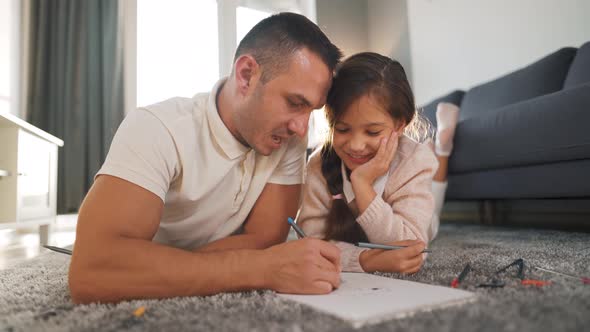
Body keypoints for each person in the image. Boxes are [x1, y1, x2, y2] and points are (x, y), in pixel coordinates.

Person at [68, 12, 344, 304]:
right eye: (294, 103)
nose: (301, 127)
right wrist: (262, 268)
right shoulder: (157, 128)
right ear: (246, 75)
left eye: (310, 110)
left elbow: (265, 239)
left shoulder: (288, 139)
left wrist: (163, 267)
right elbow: (92, 271)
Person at [297, 52, 439, 273]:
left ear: (400, 125)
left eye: (372, 132)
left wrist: (362, 185)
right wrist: (365, 261)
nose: (356, 145)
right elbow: (310, 241)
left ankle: (442, 145)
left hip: (422, 214)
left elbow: (411, 245)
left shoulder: (414, 161)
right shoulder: (318, 165)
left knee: (434, 203)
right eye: (342, 129)